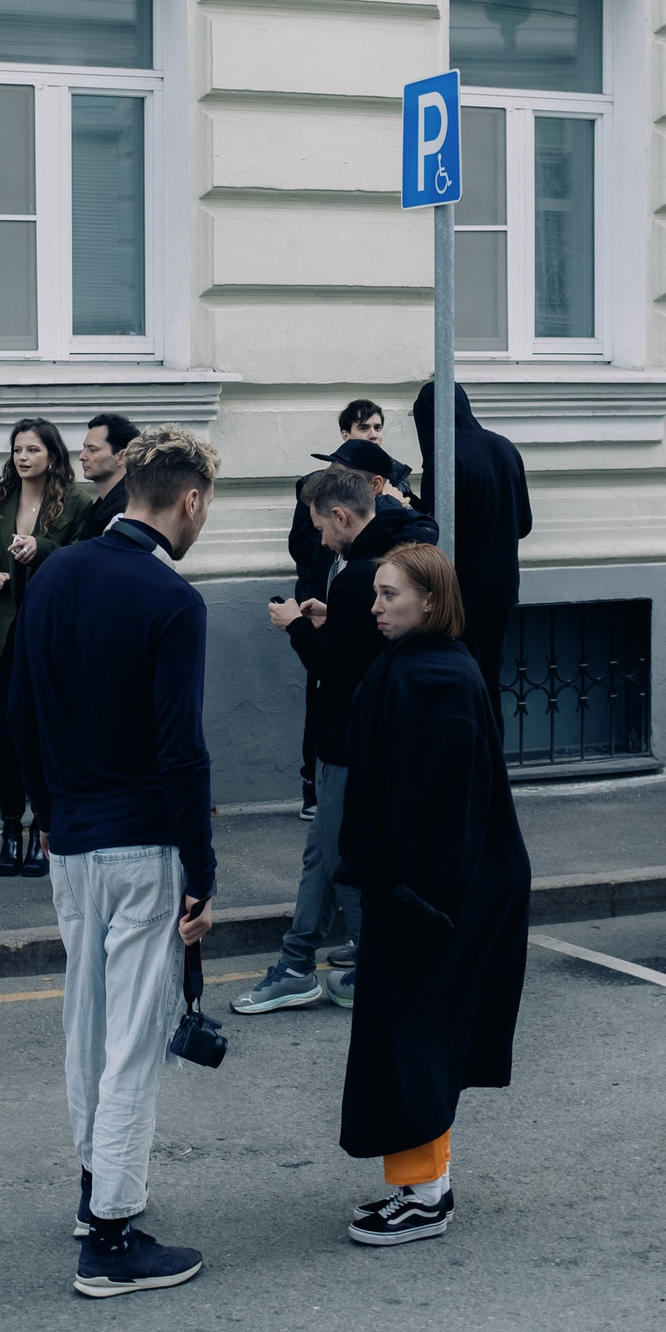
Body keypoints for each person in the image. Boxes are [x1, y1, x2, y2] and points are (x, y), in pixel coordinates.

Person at [7, 426, 219, 1298]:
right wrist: (201, 870)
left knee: (86, 1024)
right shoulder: (174, 602)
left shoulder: (56, 570)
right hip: (144, 840)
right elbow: (182, 751)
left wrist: (49, 815)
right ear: (190, 500)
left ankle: (95, 1187)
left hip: (74, 840)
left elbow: (19, 711)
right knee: (133, 1036)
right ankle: (112, 1239)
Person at [334, 542, 530, 1246]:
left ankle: (425, 1196)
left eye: (390, 595)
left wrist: (420, 902)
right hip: (420, 887)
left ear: (430, 599)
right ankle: (424, 1185)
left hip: (434, 892)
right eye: (377, 593)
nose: (376, 605)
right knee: (415, 1037)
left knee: (414, 1037)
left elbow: (450, 809)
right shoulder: (420, 664)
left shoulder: (438, 678)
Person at [238, 461, 434, 1016]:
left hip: (346, 738)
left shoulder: (356, 574)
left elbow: (333, 666)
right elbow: (365, 644)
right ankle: (303, 961)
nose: (319, 536)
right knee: (326, 854)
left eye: (321, 526)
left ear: (342, 516)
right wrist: (334, 617)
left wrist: (293, 624)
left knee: (341, 857)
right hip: (365, 736)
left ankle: (328, 965)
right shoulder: (397, 554)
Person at [0, 419, 93, 877]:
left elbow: (84, 558)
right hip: (2, 636)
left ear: (52, 456)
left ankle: (46, 827)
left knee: (47, 732)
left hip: (51, 633)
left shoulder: (79, 502)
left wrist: (40, 547)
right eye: (17, 449)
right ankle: (10, 831)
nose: (22, 457)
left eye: (33, 449)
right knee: (8, 737)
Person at [284, 400, 398, 821]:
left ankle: (332, 784)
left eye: (378, 426)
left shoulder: (388, 500)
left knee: (339, 687)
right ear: (345, 433)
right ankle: (313, 783)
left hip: (338, 605)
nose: (372, 432)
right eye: (364, 426)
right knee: (322, 699)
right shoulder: (315, 488)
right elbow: (300, 543)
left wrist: (298, 623)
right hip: (322, 592)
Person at [409, 380, 531, 676]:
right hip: (503, 589)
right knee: (490, 680)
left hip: (460, 595)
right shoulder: (504, 447)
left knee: (464, 681)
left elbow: (434, 536)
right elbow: (524, 526)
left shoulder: (443, 460)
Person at [76, 413, 139, 538]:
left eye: (92, 449)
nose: (82, 456)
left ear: (121, 457)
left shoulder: (127, 511)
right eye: (84, 448)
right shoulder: (101, 505)